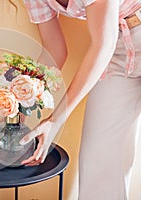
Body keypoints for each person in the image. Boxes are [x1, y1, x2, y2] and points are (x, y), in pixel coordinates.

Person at [18, 0, 141, 199]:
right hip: (118, 45)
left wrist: (55, 120)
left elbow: (102, 46)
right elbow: (54, 50)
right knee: (98, 159)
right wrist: (21, 104)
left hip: (109, 44)